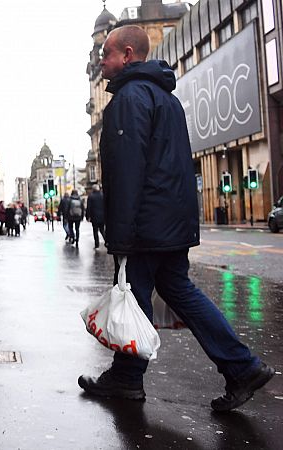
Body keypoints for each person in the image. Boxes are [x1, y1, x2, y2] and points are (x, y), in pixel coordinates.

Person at [77, 26, 274, 411]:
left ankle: (129, 377)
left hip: (145, 224)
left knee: (134, 296)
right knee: (177, 291)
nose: (101, 61)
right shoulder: (165, 98)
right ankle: (239, 366)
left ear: (128, 54)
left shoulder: (129, 99)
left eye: (107, 54)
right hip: (169, 220)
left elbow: (128, 170)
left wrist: (120, 234)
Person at [85, 185, 106, 249]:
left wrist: (87, 216)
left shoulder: (91, 196)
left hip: (94, 217)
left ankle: (97, 244)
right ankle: (107, 241)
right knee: (102, 230)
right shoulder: (103, 195)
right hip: (102, 216)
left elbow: (88, 208)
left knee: (95, 231)